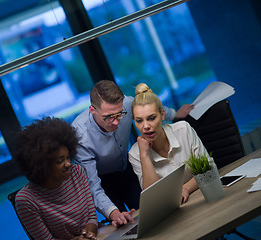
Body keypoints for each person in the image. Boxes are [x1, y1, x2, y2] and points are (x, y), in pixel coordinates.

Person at [71, 80, 194, 227]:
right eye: (109, 117)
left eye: (119, 114)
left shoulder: (128, 104)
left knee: (154, 216)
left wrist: (174, 114)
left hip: (127, 169)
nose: (116, 122)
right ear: (93, 110)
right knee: (123, 225)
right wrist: (114, 213)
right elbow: (92, 186)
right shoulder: (79, 135)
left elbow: (152, 108)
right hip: (103, 182)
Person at [14, 117, 98, 240]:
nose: (68, 163)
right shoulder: (26, 200)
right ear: (41, 165)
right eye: (60, 161)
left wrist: (89, 232)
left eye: (68, 157)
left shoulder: (77, 173)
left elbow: (91, 217)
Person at [129, 83, 209, 203]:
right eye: (139, 120)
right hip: (172, 211)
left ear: (162, 115)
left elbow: (208, 169)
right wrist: (144, 156)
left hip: (203, 196)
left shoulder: (183, 129)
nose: (145, 126)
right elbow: (153, 198)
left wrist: (185, 188)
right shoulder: (135, 153)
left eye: (151, 118)